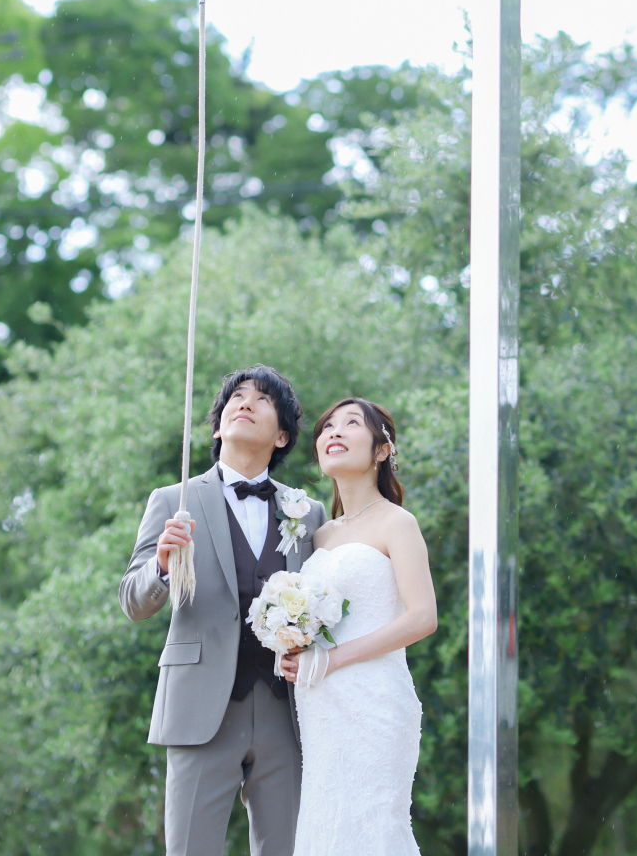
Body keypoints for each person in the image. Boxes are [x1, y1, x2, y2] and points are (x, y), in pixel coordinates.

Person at [118, 365, 326, 856]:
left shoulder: (308, 512)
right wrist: (162, 566)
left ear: (281, 436)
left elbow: (328, 609)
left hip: (288, 711)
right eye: (237, 396)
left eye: (262, 399)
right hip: (199, 706)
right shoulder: (173, 500)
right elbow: (132, 601)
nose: (246, 402)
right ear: (217, 427)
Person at [280, 397, 437, 856]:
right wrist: (292, 649)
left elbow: (422, 617)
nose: (334, 431)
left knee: (372, 825)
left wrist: (332, 660)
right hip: (321, 705)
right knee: (325, 827)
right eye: (328, 426)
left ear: (381, 451)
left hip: (374, 700)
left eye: (351, 424)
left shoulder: (397, 522)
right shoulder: (321, 534)